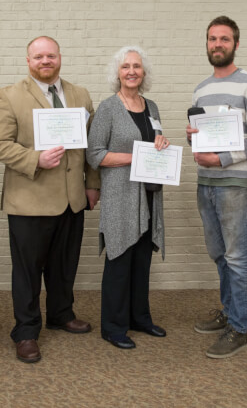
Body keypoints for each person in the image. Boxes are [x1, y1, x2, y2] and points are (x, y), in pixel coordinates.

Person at [0, 36, 100, 364]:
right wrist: (35, 159)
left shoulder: (80, 95)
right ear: (28, 61)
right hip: (29, 199)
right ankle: (25, 331)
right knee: (28, 271)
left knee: (64, 265)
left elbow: (91, 145)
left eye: (50, 55)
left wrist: (92, 184)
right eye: (38, 57)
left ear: (60, 57)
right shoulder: (8, 96)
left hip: (72, 198)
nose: (45, 61)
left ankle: (61, 314)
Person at [186, 16, 247, 359]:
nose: (217, 44)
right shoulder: (201, 88)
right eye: (212, 39)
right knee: (219, 254)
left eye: (224, 39)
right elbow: (204, 138)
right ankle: (228, 311)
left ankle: (239, 329)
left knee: (237, 257)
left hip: (235, 185)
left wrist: (219, 159)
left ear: (236, 43)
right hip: (206, 183)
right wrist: (194, 138)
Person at [86, 46, 170, 350]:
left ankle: (139, 318)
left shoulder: (152, 107)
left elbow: (155, 143)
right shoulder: (108, 108)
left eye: (136, 66)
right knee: (120, 260)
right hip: (121, 196)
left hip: (149, 195)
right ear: (117, 73)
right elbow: (94, 154)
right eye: (125, 67)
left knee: (142, 260)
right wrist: (136, 157)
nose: (131, 71)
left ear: (143, 72)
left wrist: (161, 144)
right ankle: (113, 327)